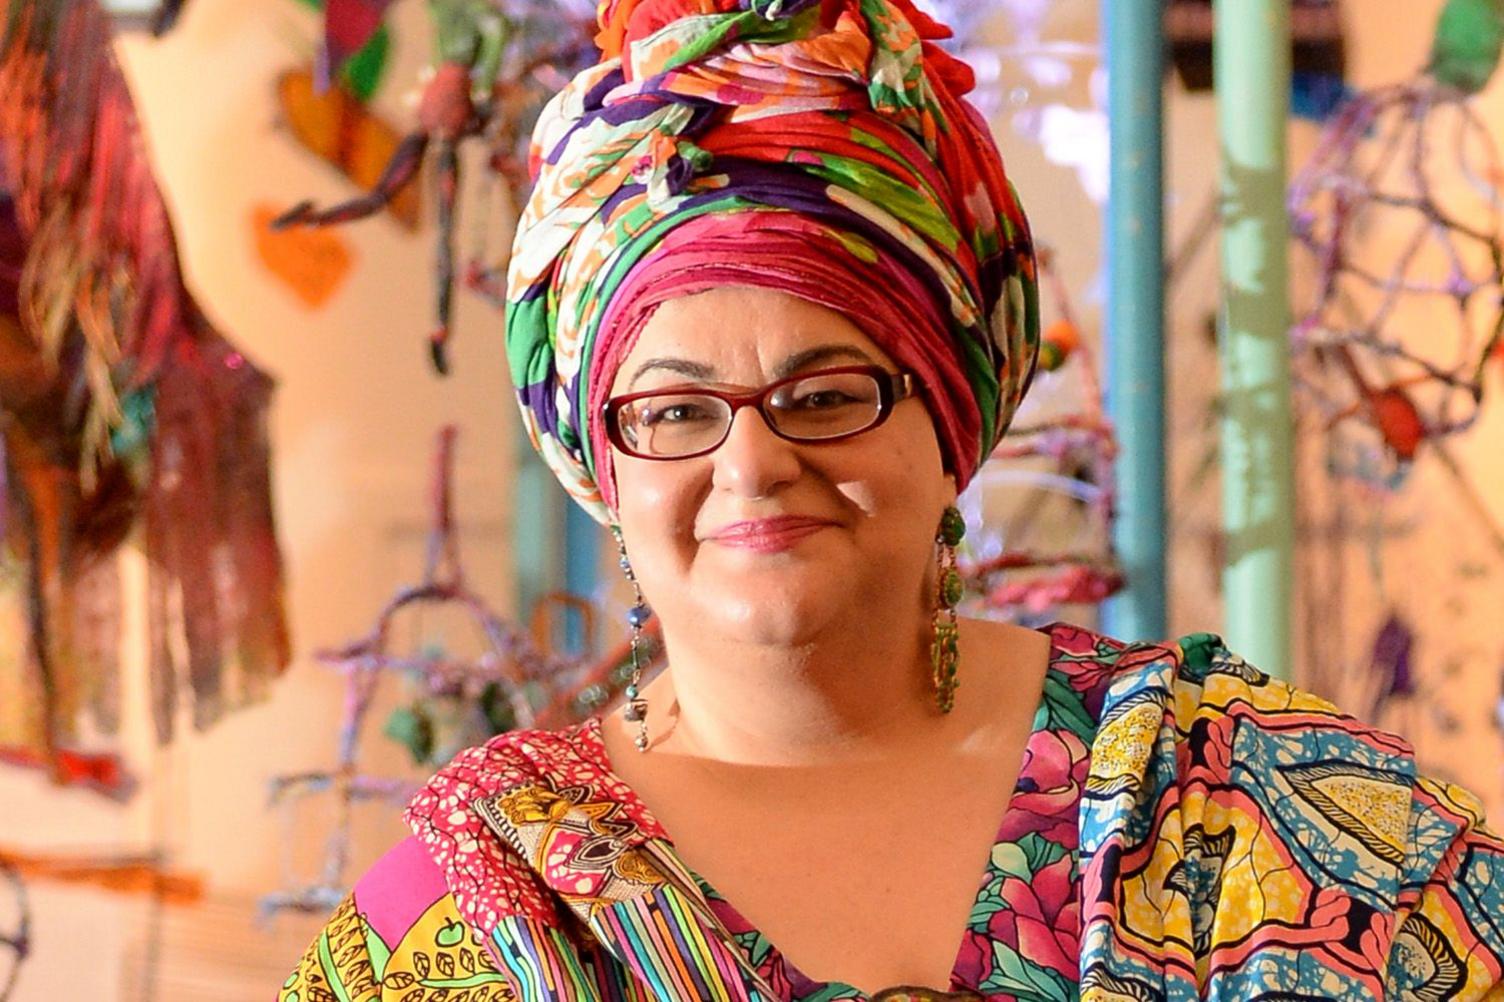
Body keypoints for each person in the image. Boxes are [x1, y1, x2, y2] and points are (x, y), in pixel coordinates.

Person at [279, 0, 1504, 999]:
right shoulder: (488, 906)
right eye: (675, 411)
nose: (751, 466)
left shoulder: (1235, 788)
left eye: (824, 396)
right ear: (601, 466)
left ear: (947, 416)